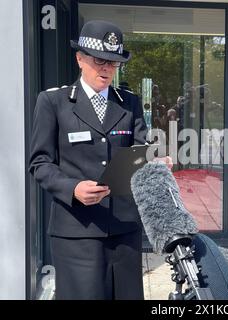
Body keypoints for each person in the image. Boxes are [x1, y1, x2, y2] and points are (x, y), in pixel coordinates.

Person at [29, 20, 153, 300]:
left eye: (114, 63)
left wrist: (155, 163)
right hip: (77, 232)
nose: (107, 69)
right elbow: (39, 163)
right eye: (100, 61)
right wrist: (72, 188)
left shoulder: (128, 102)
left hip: (124, 228)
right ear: (80, 59)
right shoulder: (53, 102)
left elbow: (141, 149)